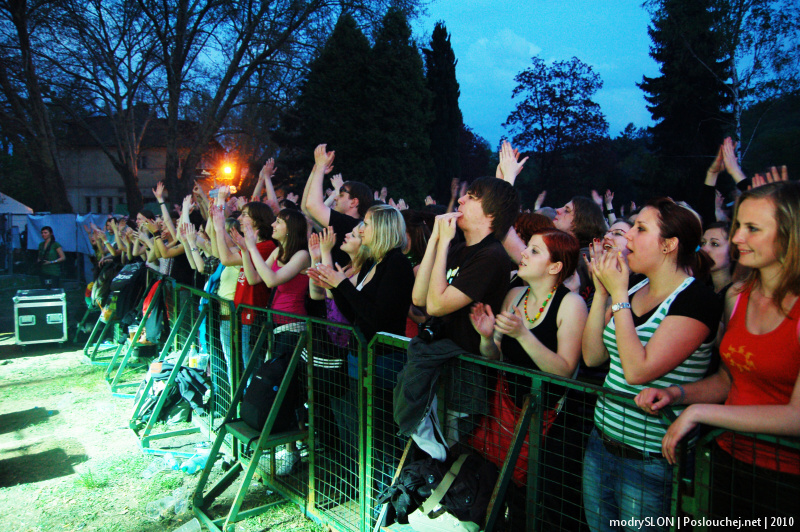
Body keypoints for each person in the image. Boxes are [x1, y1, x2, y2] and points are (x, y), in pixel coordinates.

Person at [635, 181, 800, 522]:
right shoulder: (737, 296)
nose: (737, 237)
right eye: (738, 225)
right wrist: (678, 394)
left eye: (752, 228)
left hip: (786, 476)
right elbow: (728, 379)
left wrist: (699, 412)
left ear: (790, 235)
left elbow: (796, 415)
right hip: (727, 458)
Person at [581, 198, 722, 532]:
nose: (629, 236)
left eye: (641, 229)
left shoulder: (696, 299)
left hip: (650, 458)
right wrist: (601, 293)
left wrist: (618, 295)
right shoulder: (635, 287)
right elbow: (592, 357)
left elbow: (638, 371)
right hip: (602, 440)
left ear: (669, 245)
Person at [395, 175, 519, 460]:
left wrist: (443, 245)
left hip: (464, 377)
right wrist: (437, 241)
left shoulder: (491, 255)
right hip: (440, 370)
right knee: (428, 454)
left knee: (452, 455)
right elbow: (419, 298)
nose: (461, 199)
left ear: (491, 214)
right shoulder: (460, 249)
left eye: (472, 196)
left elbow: (436, 305)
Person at [301, 144, 373, 266]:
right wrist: (315, 171)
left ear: (354, 202)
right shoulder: (345, 223)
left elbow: (312, 206)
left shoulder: (351, 224)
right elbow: (306, 209)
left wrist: (320, 167)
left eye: (341, 195)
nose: (335, 197)